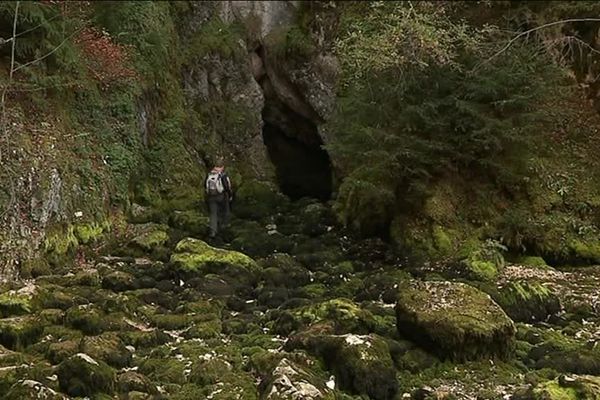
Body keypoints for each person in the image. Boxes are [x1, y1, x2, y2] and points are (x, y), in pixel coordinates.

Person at [205, 156, 233, 239]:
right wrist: (230, 195)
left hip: (211, 197)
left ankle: (213, 232)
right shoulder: (223, 175)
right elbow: (227, 187)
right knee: (225, 211)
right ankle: (225, 228)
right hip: (221, 196)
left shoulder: (209, 174)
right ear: (222, 167)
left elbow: (205, 185)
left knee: (213, 214)